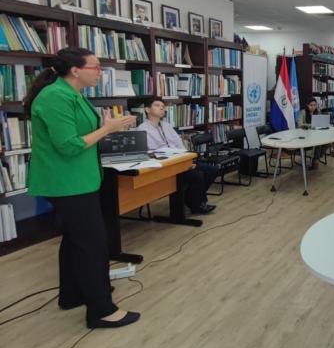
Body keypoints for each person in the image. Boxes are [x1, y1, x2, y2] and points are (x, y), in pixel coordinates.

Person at [24, 47, 140, 329]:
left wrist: (108, 127)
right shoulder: (54, 97)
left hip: (80, 179)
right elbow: (69, 145)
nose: (100, 73)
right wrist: (108, 129)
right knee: (92, 245)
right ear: (75, 70)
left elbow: (84, 134)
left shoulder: (73, 94)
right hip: (66, 182)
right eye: (96, 67)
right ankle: (101, 310)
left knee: (75, 240)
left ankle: (72, 294)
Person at [137, 97, 218, 214]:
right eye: (157, 105)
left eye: (163, 106)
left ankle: (191, 199)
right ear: (147, 109)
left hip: (180, 161)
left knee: (212, 170)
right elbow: (150, 152)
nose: (161, 108)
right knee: (197, 175)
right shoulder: (142, 129)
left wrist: (187, 161)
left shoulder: (166, 125)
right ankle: (198, 204)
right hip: (165, 166)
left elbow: (179, 144)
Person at [299, 98, 326, 169]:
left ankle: (316, 158)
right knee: (318, 143)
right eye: (311, 105)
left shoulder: (318, 111)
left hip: (316, 133)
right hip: (306, 135)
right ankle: (315, 159)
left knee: (328, 142)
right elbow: (300, 124)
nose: (313, 107)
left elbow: (321, 122)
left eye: (314, 105)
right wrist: (311, 125)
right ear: (307, 105)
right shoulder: (303, 112)